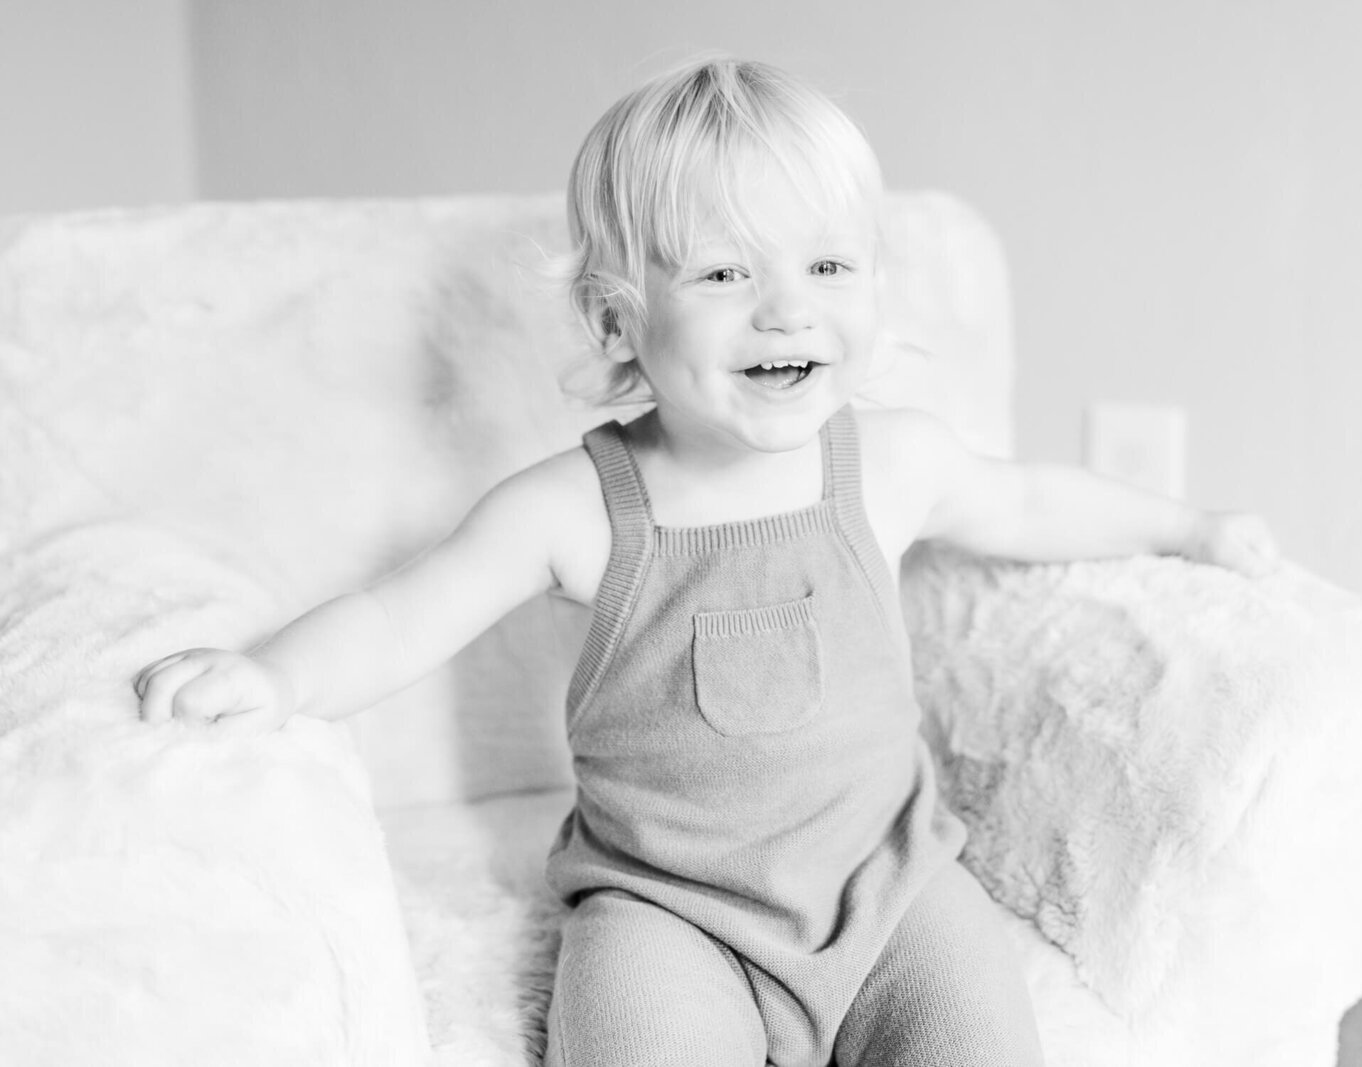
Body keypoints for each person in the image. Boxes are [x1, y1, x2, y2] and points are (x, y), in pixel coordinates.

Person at [134, 57, 1280, 1067]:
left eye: (828, 268)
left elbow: (1029, 499)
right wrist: (273, 678)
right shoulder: (577, 505)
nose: (786, 311)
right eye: (726, 274)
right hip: (664, 906)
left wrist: (1184, 527)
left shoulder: (887, 464)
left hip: (888, 881)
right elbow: (399, 617)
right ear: (617, 317)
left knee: (978, 1031)